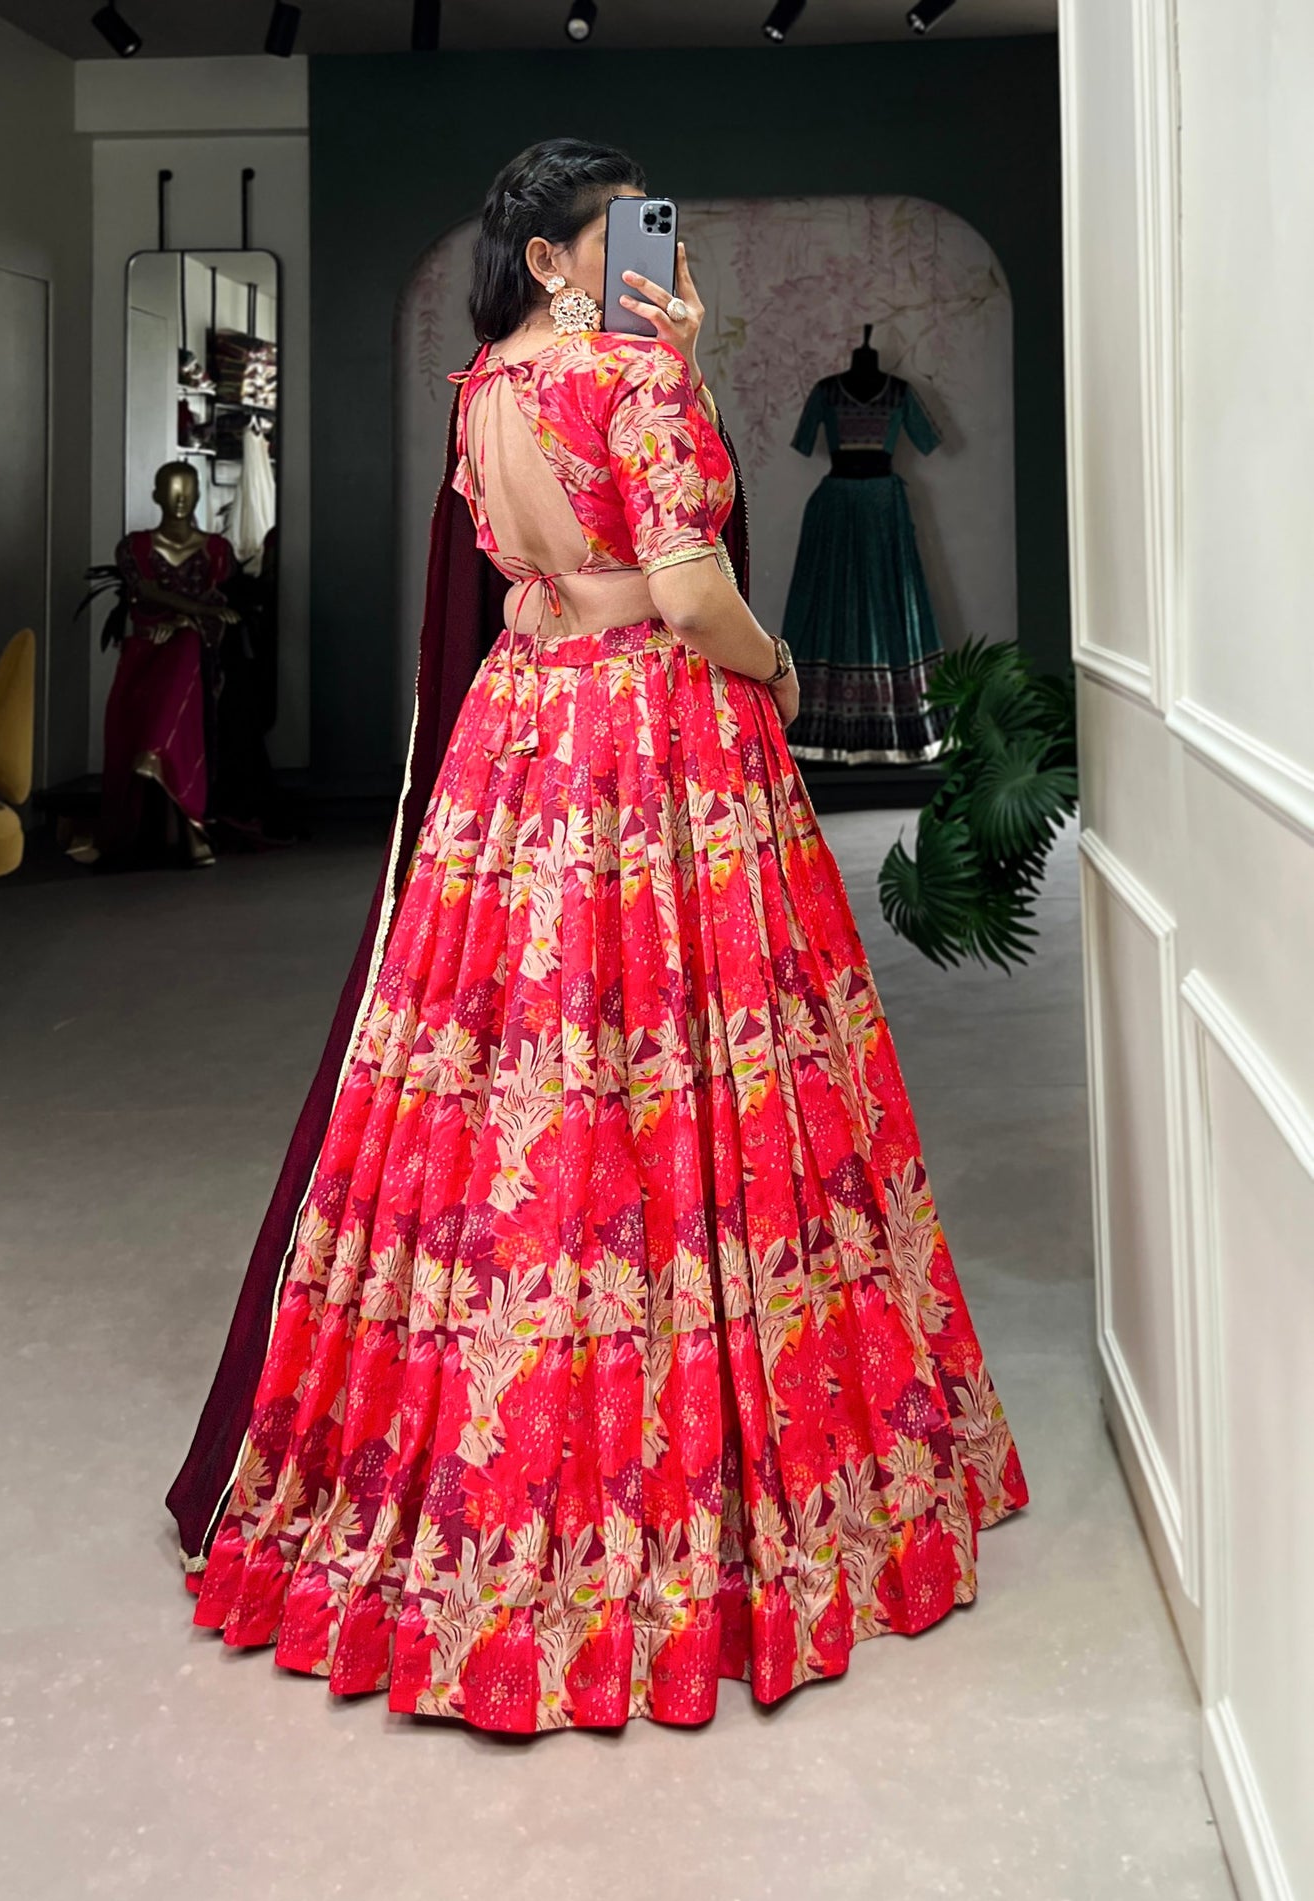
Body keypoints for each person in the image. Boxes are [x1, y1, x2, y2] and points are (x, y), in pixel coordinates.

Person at [172, 139, 1028, 1733]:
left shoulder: (483, 387)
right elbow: (688, 595)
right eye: (616, 232)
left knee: (506, 1071)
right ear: (555, 258)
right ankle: (690, 1490)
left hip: (517, 738)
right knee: (691, 1067)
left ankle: (467, 1456)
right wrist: (776, 668)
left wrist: (677, 361)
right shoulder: (629, 380)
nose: (648, 249)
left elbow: (539, 565)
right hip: (652, 741)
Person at [98, 462, 238, 868]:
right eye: (172, 489)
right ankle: (187, 824)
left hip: (195, 655)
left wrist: (184, 622)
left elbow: (221, 605)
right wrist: (192, 613)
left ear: (198, 494)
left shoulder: (216, 551)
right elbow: (144, 592)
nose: (180, 498)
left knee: (187, 647)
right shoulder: (136, 548)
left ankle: (154, 755)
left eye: (188, 489)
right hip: (146, 654)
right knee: (178, 656)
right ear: (156, 494)